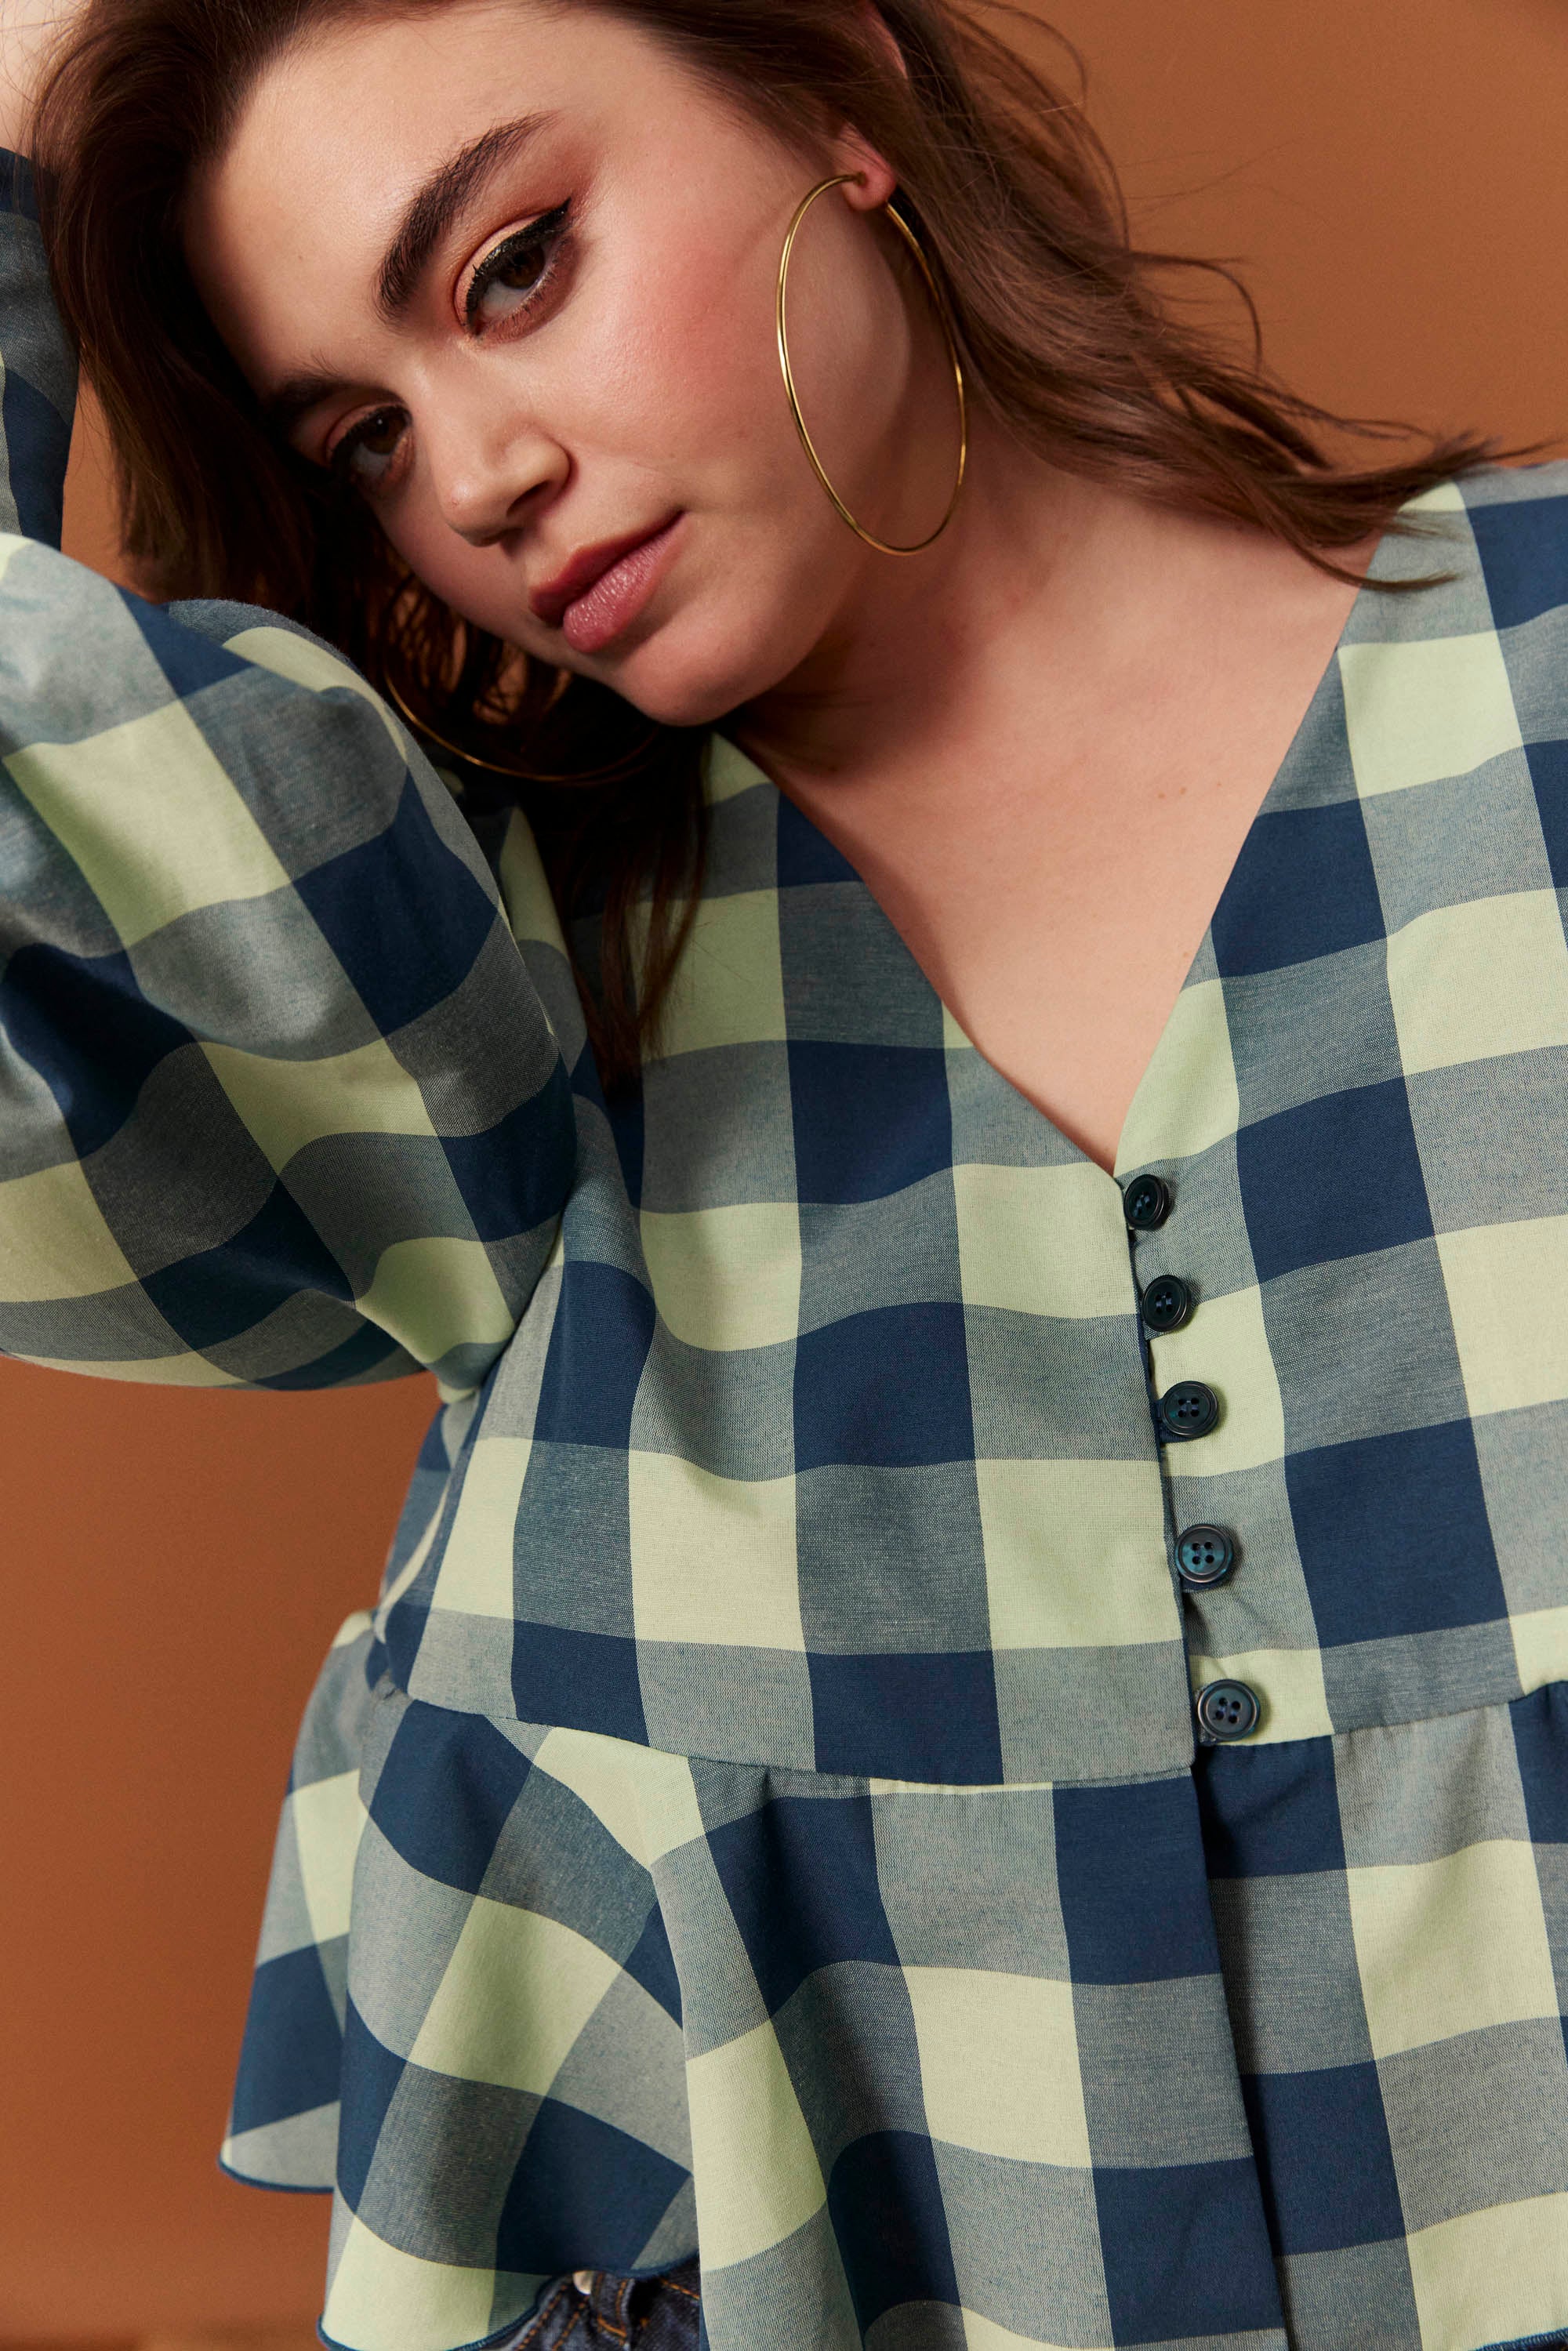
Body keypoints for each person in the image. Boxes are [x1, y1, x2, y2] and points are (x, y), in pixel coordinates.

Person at [2, 2, 1566, 2347]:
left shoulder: (1539, 709)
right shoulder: (462, 994)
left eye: (515, 265)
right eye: (367, 439)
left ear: (834, 93)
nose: (478, 482)